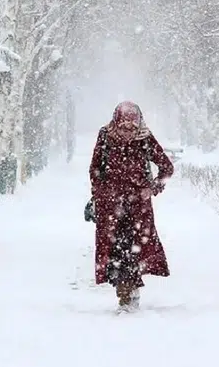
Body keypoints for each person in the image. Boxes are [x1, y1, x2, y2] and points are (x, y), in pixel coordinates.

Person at [89, 101, 175, 311]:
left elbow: (166, 167)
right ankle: (125, 291)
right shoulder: (105, 136)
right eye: (123, 127)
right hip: (110, 207)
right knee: (114, 252)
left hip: (138, 208)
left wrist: (153, 188)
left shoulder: (145, 139)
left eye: (132, 127)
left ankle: (129, 295)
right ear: (116, 122)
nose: (128, 132)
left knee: (133, 250)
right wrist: (99, 192)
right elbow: (95, 168)